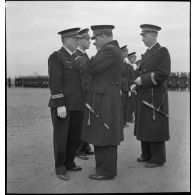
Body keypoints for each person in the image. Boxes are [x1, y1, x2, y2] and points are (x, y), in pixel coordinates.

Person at [76, 25, 124, 180]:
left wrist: (78, 59)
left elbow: (90, 67)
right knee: (104, 132)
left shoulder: (109, 50)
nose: (95, 43)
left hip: (104, 98)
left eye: (96, 39)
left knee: (104, 133)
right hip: (105, 96)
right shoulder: (111, 50)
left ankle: (105, 171)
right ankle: (105, 169)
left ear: (103, 36)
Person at [130, 24, 171, 168]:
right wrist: (137, 83)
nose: (142, 38)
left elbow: (163, 73)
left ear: (154, 35)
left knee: (154, 127)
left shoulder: (161, 51)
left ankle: (158, 158)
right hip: (144, 95)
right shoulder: (147, 53)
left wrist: (143, 80)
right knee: (144, 125)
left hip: (155, 96)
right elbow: (141, 74)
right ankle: (146, 154)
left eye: (144, 35)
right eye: (142, 35)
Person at [48, 27, 84, 180]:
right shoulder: (56, 57)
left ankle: (69, 162)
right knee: (61, 137)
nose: (78, 41)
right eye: (75, 39)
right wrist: (60, 103)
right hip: (63, 105)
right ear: (67, 40)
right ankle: (60, 167)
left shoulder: (77, 57)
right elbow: (55, 81)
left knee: (75, 136)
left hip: (78, 104)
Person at [74, 28, 94, 160]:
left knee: (87, 120)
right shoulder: (76, 55)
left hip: (87, 93)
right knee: (81, 121)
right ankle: (78, 149)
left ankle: (85, 146)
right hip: (80, 93)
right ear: (79, 40)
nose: (90, 42)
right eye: (87, 39)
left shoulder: (84, 55)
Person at [120, 45, 131, 127]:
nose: (127, 52)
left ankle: (124, 121)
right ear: (122, 52)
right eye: (126, 51)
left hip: (126, 87)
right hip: (121, 87)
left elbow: (127, 76)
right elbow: (118, 76)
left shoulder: (125, 62)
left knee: (125, 105)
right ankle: (121, 122)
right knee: (121, 106)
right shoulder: (119, 62)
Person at [127, 52, 137, 123]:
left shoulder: (132, 66)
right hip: (129, 87)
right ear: (130, 58)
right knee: (129, 104)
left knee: (132, 104)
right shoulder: (128, 66)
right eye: (134, 57)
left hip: (132, 87)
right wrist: (129, 89)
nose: (135, 59)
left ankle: (129, 117)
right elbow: (127, 78)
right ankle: (128, 118)